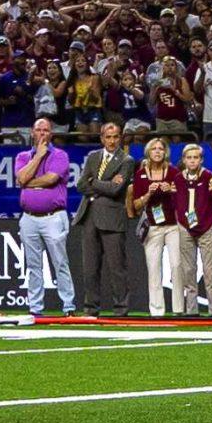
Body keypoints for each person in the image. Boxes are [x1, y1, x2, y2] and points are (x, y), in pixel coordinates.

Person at [73, 122, 134, 316]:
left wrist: (94, 183)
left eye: (115, 137)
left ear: (120, 138)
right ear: (101, 138)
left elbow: (116, 189)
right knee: (90, 267)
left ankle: (121, 309)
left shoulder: (126, 160)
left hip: (112, 218)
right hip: (89, 215)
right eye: (108, 137)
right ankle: (91, 308)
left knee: (117, 268)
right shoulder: (93, 157)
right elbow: (81, 184)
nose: (111, 141)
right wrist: (103, 185)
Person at [15, 119, 75, 317]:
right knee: (33, 265)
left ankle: (68, 306)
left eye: (46, 130)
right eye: (38, 130)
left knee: (60, 262)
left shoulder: (60, 155)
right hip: (29, 218)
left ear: (51, 134)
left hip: (53, 217)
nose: (42, 133)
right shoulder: (23, 156)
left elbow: (51, 179)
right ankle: (35, 308)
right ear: (32, 132)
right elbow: (21, 178)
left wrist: (28, 183)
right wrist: (38, 157)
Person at [129, 137, 184, 317]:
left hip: (173, 225)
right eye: (154, 148)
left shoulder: (175, 172)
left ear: (165, 152)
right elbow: (136, 205)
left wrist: (172, 190)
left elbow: (184, 200)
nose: (158, 151)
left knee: (176, 266)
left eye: (161, 148)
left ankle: (179, 309)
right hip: (152, 225)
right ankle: (157, 311)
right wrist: (147, 194)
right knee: (153, 268)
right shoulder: (140, 175)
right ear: (148, 152)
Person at [174, 143, 212, 317]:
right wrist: (179, 221)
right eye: (189, 158)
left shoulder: (209, 177)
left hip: (205, 228)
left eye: (196, 157)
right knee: (188, 271)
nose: (192, 161)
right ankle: (191, 310)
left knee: (209, 271)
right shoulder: (178, 180)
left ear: (201, 159)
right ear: (183, 160)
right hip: (185, 228)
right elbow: (174, 204)